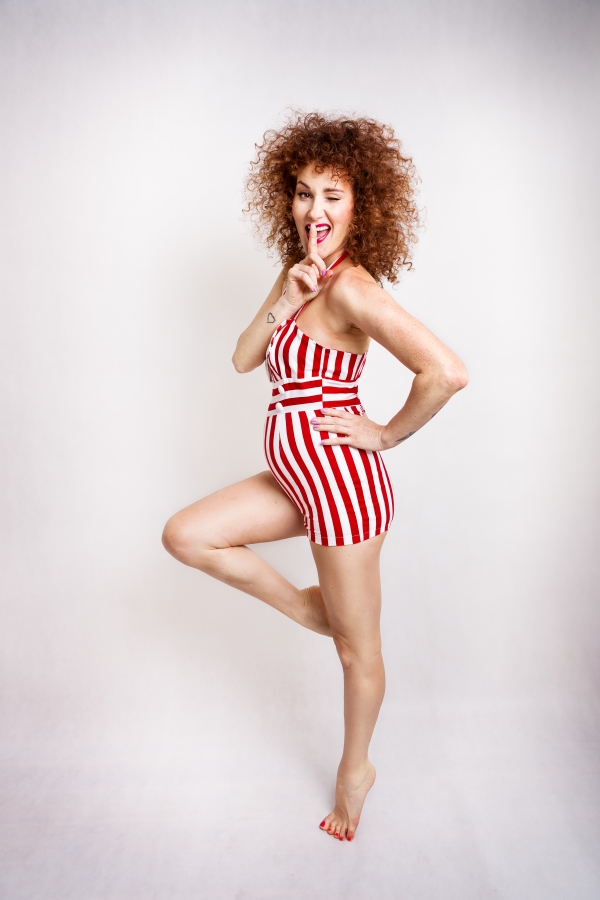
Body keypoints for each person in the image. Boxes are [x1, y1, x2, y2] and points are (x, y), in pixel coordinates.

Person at [162, 112, 468, 843]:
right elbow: (244, 359)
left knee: (358, 650)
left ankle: (355, 769)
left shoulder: (354, 288)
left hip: (343, 490)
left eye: (333, 195)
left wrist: (385, 434)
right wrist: (286, 298)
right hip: (296, 479)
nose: (314, 210)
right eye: (304, 193)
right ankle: (307, 607)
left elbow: (446, 371)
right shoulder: (300, 274)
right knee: (187, 535)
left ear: (363, 205)